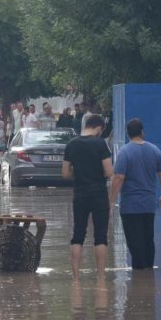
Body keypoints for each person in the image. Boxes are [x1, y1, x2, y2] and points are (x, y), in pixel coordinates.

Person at [107, 118, 161, 270]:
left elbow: (118, 178)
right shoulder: (155, 150)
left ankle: (139, 277)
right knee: (148, 239)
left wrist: (111, 202)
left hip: (130, 206)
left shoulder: (124, 152)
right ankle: (148, 276)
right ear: (142, 132)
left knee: (135, 243)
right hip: (149, 205)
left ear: (128, 133)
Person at [62, 114, 113, 278]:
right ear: (98, 128)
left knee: (78, 233)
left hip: (80, 193)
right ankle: (100, 275)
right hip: (99, 193)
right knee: (100, 234)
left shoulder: (71, 144)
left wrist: (79, 173)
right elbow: (109, 171)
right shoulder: (100, 144)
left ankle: (75, 275)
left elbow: (65, 173)